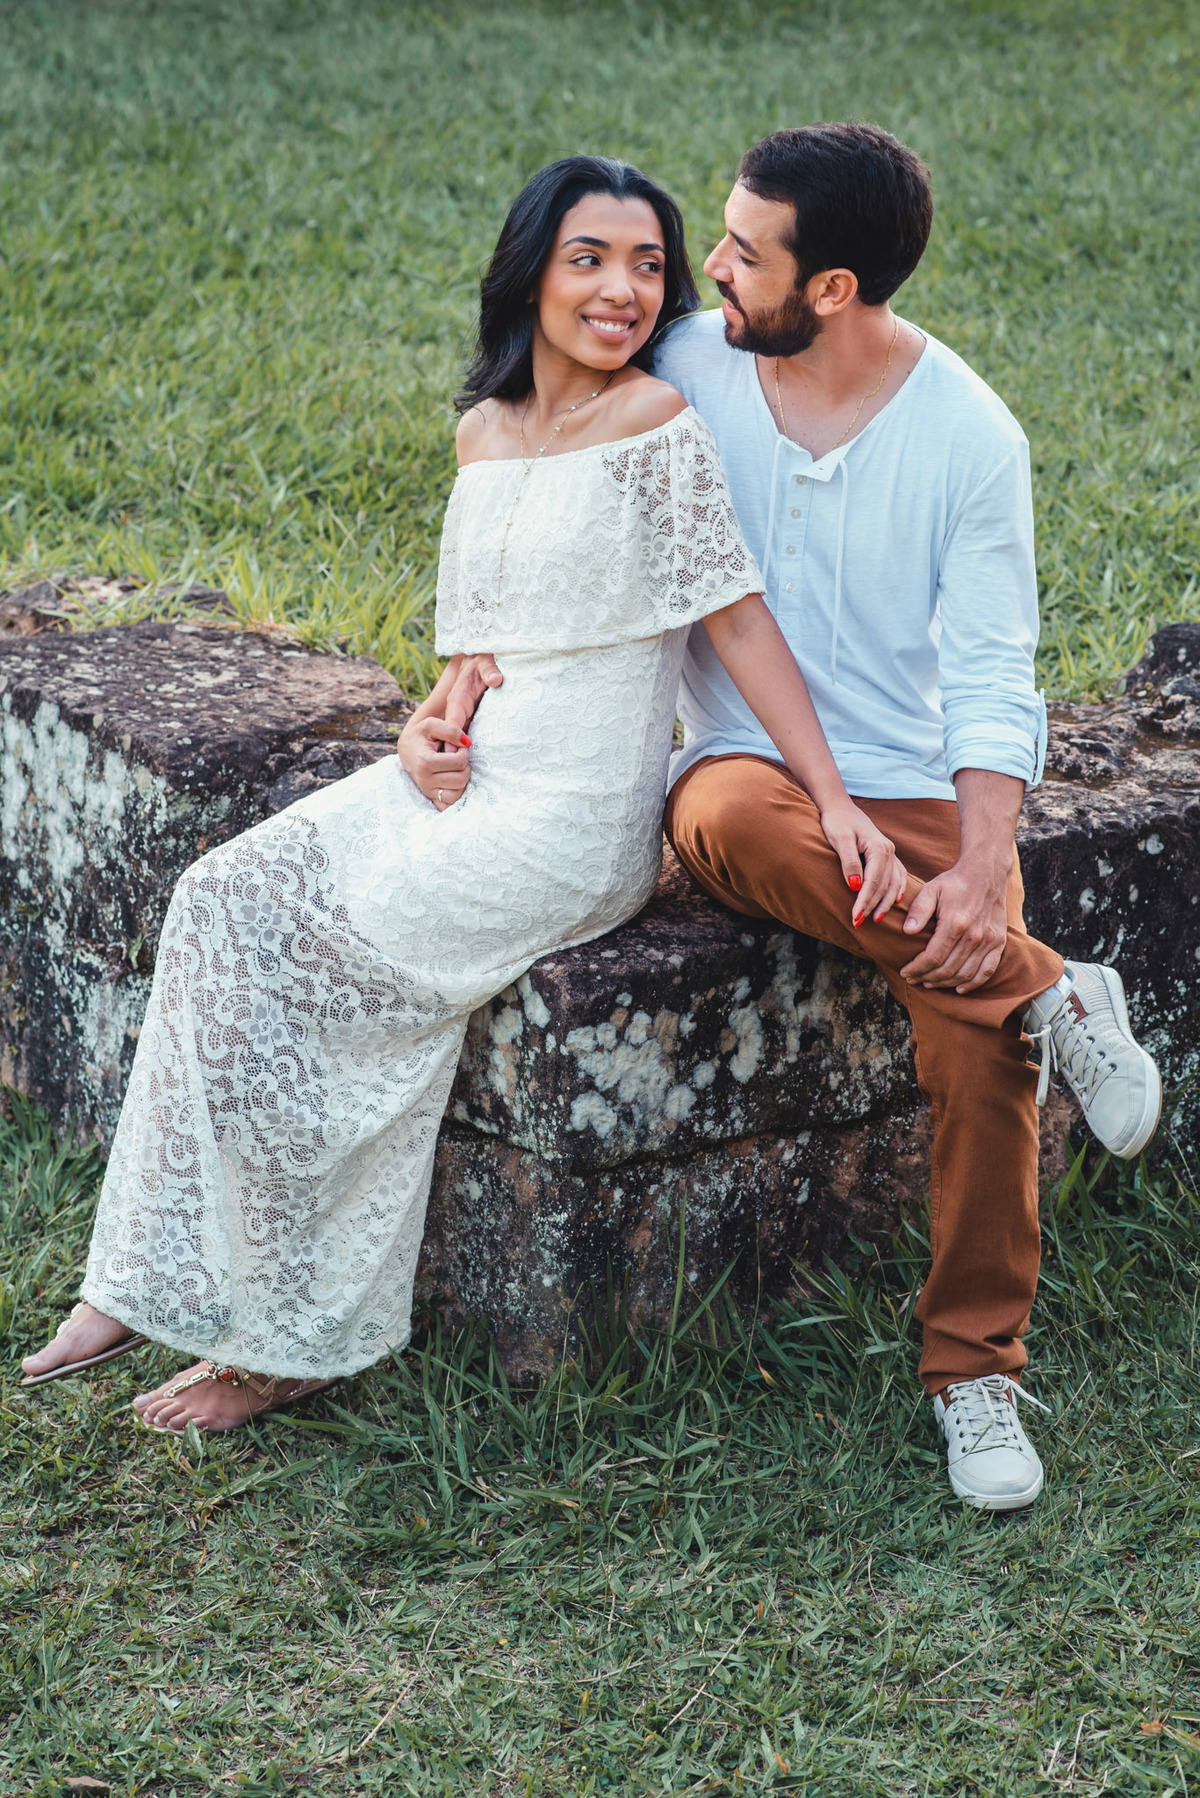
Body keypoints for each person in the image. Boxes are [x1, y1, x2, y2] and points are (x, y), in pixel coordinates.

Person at [20, 156, 904, 1432]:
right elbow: (471, 654)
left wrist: (833, 800)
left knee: (313, 968)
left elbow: (741, 623)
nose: (624, 287)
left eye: (651, 264)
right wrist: (430, 727)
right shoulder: (481, 431)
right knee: (218, 897)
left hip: (564, 825)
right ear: (533, 267)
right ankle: (141, 1271)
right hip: (457, 781)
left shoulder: (656, 424)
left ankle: (288, 1341)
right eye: (590, 257)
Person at [440, 126, 1162, 1512]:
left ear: (830, 289)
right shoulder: (687, 363)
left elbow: (999, 666)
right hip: (752, 774)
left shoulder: (968, 434)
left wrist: (984, 859)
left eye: (740, 252)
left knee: (966, 1020)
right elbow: (529, 477)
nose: (704, 274)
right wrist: (464, 671)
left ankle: (972, 1370)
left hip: (919, 785)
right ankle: (1054, 989)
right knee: (725, 812)